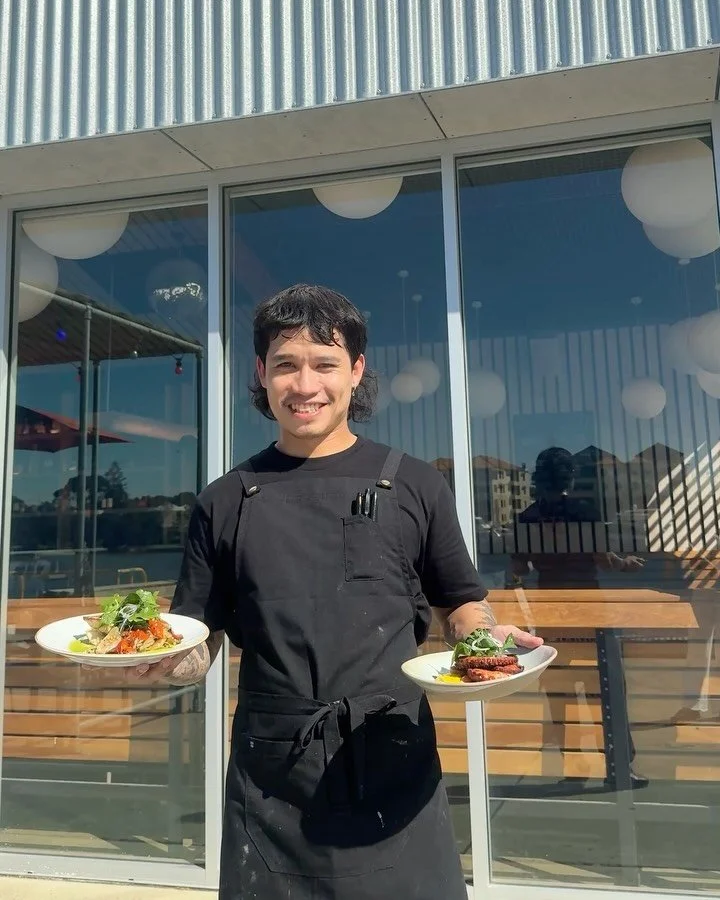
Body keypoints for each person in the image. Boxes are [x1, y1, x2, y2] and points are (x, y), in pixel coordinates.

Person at [133, 284, 541, 899]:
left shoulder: (414, 485)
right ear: (261, 375)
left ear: (355, 371)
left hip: (391, 751)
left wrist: (484, 641)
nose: (305, 386)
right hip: (272, 772)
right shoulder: (223, 499)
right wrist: (152, 657)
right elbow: (198, 642)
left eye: (324, 364)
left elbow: (459, 600)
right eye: (285, 365)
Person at [508, 446, 648, 789]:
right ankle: (620, 767)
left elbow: (517, 569)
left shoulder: (527, 517)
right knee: (608, 686)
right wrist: (625, 564)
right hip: (589, 609)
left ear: (537, 478)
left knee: (559, 692)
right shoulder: (583, 511)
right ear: (570, 476)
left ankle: (573, 767)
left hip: (550, 611)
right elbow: (603, 559)